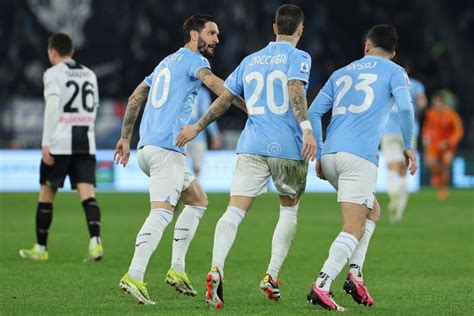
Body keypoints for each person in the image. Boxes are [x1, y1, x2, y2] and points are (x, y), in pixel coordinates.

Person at [176, 4, 316, 310]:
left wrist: (197, 127)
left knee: (234, 212)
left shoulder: (250, 60)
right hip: (287, 147)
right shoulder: (299, 57)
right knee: (289, 211)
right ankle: (272, 276)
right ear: (300, 30)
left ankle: (216, 268)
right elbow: (295, 88)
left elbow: (224, 99)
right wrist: (306, 129)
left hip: (251, 143)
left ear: (274, 27)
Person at [113, 14, 247, 305]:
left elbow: (136, 96)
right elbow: (216, 86)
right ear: (194, 34)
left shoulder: (165, 62)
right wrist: (247, 107)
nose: (216, 39)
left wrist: (125, 138)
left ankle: (177, 269)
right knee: (161, 213)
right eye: (211, 33)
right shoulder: (195, 61)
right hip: (167, 151)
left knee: (198, 200)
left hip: (147, 147)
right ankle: (133, 275)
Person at [307, 25, 417, 311]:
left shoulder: (340, 72)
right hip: (359, 158)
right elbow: (406, 109)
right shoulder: (395, 71)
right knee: (354, 225)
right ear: (392, 53)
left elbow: (314, 111)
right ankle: (322, 284)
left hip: (331, 155)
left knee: (373, 210)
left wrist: (319, 153)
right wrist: (408, 145)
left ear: (366, 46)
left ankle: (354, 274)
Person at [19, 33, 103, 262]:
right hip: (86, 142)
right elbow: (94, 107)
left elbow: (53, 108)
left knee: (46, 195)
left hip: (59, 142)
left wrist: (46, 142)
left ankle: (40, 248)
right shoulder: (89, 74)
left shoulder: (53, 74)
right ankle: (95, 243)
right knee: (87, 194)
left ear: (52, 53)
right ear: (72, 52)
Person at [381, 59, 427, 224]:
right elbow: (422, 104)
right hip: (408, 132)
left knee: (391, 165)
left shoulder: (385, 84)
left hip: (388, 130)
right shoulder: (415, 85)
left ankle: (393, 194)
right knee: (403, 168)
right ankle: (398, 207)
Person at [422, 90, 463, 200]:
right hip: (434, 144)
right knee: (430, 162)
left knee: (446, 163)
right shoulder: (431, 113)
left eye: (438, 103)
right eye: (435, 103)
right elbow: (427, 127)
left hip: (447, 145)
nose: (436, 105)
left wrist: (449, 142)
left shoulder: (451, 115)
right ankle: (437, 175)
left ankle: (443, 189)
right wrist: (425, 137)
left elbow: (458, 131)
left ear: (443, 103)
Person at [187, 87, 221, 177]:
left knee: (180, 169)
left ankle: (181, 189)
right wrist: (215, 135)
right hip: (198, 136)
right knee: (197, 169)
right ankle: (194, 190)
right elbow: (206, 113)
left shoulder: (180, 90)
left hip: (180, 135)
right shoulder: (202, 93)